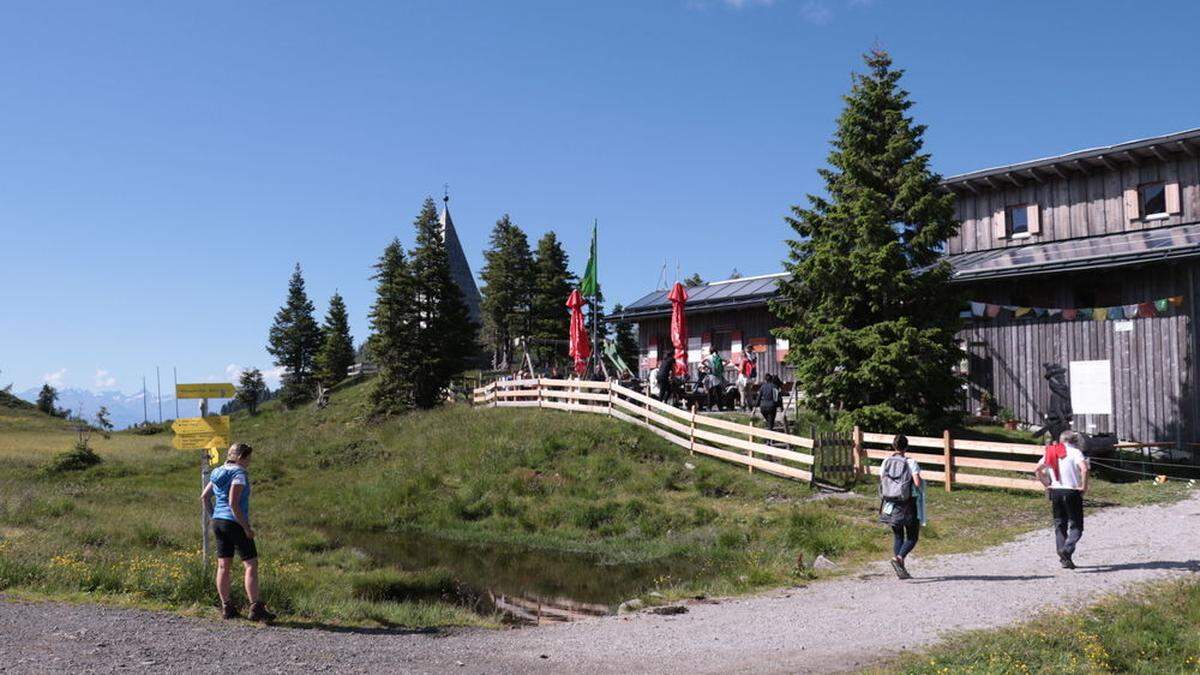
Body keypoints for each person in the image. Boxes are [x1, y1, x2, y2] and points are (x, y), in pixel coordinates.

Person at [200, 443, 276, 622]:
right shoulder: (239, 473)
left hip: (218, 522)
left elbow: (204, 496)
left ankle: (227, 606)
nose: (249, 462)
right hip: (234, 522)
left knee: (223, 566)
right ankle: (255, 607)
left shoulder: (217, 471)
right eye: (248, 458)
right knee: (251, 564)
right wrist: (246, 528)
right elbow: (234, 503)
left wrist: (213, 516)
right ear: (241, 457)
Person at [1034, 430, 1090, 569]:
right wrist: (1083, 486)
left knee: (1060, 524)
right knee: (1076, 525)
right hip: (1072, 491)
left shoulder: (1051, 451)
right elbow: (1084, 469)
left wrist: (1047, 485)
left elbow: (1037, 470)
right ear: (1074, 441)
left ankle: (1063, 555)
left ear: (1061, 440)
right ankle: (1067, 549)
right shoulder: (1075, 452)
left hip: (1056, 491)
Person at [878, 434, 922, 579]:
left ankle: (900, 569)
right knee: (912, 537)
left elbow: (882, 479)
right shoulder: (910, 462)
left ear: (893, 446)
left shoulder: (886, 461)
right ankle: (899, 558)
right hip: (907, 504)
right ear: (906, 447)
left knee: (898, 536)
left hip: (890, 503)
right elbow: (917, 483)